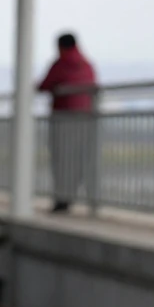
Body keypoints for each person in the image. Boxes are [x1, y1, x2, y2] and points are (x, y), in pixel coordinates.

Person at [38, 32, 97, 213]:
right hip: (85, 119)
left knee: (61, 161)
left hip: (63, 120)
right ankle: (85, 198)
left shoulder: (60, 64)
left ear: (60, 47)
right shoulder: (87, 65)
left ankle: (62, 199)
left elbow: (44, 85)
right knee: (79, 161)